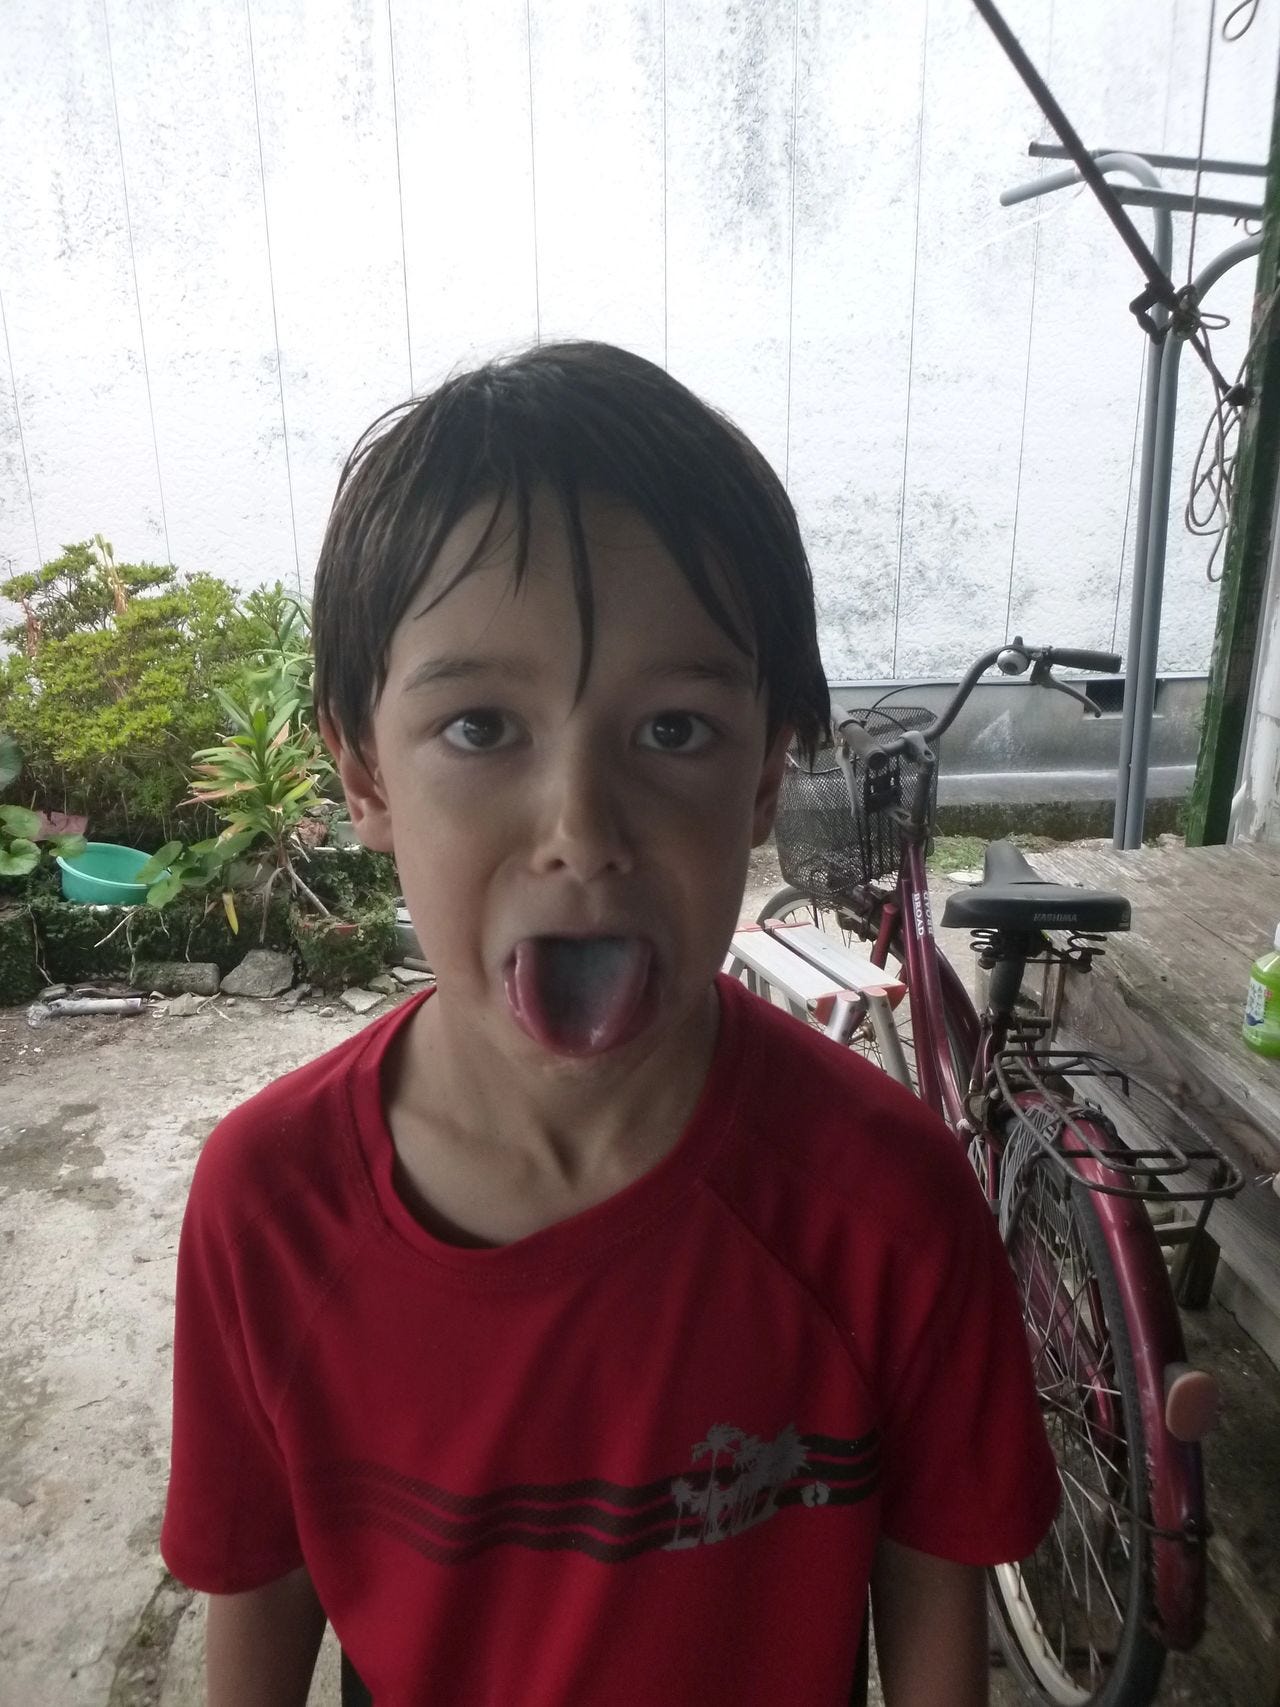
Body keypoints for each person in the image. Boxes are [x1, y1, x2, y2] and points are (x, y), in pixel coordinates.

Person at [160, 340, 1058, 1707]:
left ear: (766, 776)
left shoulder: (890, 1209)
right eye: (478, 727)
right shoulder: (267, 1206)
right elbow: (261, 1597)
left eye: (677, 732)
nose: (581, 832)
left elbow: (938, 1624)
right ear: (362, 771)